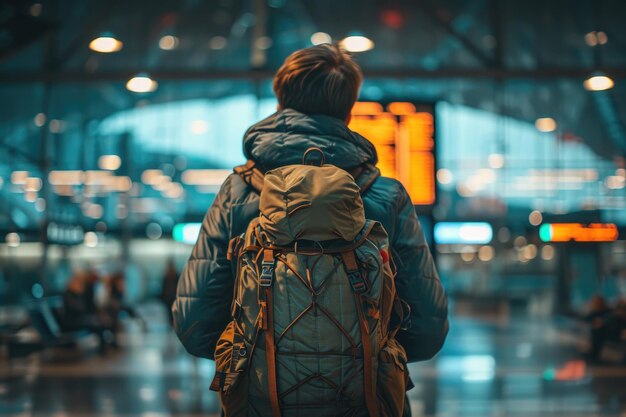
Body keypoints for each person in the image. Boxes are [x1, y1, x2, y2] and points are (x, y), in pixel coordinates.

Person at [173, 43, 449, 415]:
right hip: (366, 403)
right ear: (349, 109)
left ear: (281, 99)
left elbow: (195, 326)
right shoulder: (386, 196)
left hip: (261, 405)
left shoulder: (239, 192)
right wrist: (368, 355)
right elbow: (428, 330)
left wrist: (258, 360)